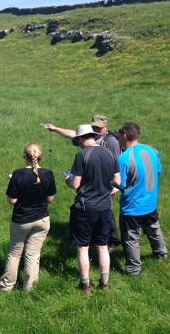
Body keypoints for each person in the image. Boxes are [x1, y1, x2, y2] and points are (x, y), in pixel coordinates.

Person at [43, 114, 121, 249]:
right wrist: (55, 129)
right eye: (93, 127)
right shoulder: (89, 138)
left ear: (105, 128)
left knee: (103, 215)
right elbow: (72, 134)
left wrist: (114, 187)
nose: (95, 129)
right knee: (98, 213)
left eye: (98, 127)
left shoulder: (111, 142)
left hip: (102, 183)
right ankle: (95, 241)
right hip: (94, 182)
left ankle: (111, 240)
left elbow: (115, 165)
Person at [66, 124, 120, 292]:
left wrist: (67, 179)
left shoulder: (82, 155)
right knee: (103, 246)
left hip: (84, 208)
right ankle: (104, 283)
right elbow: (117, 182)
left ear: (83, 138)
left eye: (78, 141)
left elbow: (76, 184)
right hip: (104, 207)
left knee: (83, 247)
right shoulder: (109, 153)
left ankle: (85, 285)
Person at [0, 143, 56, 292]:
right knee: (33, 254)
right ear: (40, 157)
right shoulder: (48, 174)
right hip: (42, 220)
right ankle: (29, 288)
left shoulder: (17, 174)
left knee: (14, 254)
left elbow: (12, 200)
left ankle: (6, 286)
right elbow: (50, 199)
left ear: (24, 156)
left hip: (21, 220)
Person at [115, 122, 167, 275]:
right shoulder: (151, 151)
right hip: (150, 202)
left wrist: (110, 181)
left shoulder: (124, 158)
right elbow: (158, 171)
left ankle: (133, 268)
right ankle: (161, 252)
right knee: (153, 228)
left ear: (124, 136)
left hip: (131, 207)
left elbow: (121, 184)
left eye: (119, 135)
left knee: (131, 238)